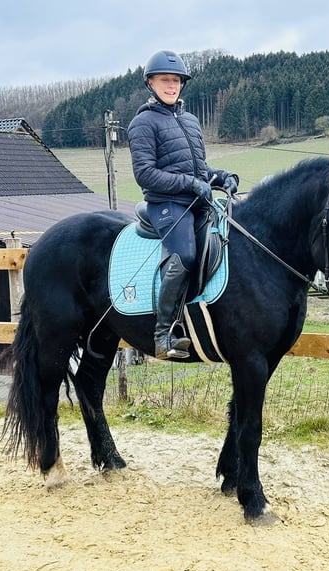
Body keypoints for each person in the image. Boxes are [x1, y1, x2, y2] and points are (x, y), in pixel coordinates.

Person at [127, 50, 238, 360]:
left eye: (175, 81)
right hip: (166, 205)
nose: (171, 86)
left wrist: (221, 177)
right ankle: (163, 334)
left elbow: (198, 168)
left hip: (197, 202)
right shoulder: (142, 123)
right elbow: (145, 174)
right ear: (151, 83)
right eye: (165, 80)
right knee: (185, 254)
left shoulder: (190, 120)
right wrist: (191, 185)